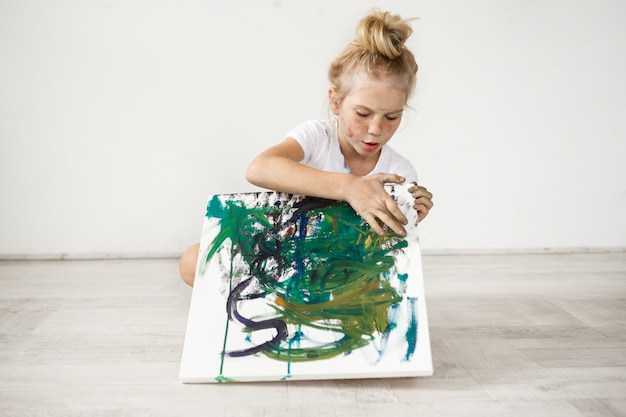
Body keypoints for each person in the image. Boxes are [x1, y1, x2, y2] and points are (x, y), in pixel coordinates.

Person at [179, 8, 433, 286]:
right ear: (336, 102)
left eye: (391, 117)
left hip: (342, 269)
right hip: (284, 256)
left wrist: (409, 214)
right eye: (362, 114)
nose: (376, 128)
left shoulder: (399, 171)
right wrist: (349, 187)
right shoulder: (316, 137)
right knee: (193, 261)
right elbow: (259, 169)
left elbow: (388, 250)